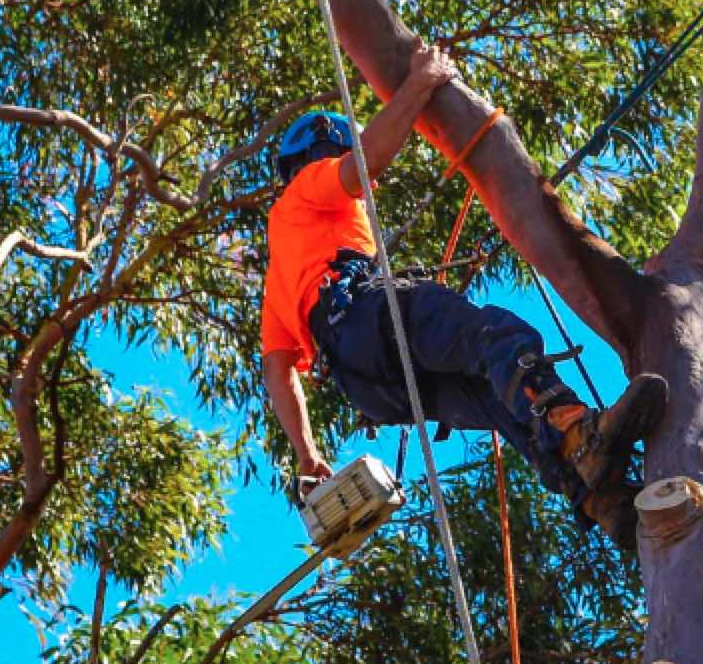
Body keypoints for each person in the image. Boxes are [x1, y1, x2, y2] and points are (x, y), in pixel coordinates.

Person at [258, 44, 667, 548]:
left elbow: (278, 372)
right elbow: (366, 163)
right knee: (496, 336)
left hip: (364, 384)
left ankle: (595, 495)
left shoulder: (281, 267)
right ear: (329, 148)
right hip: (365, 313)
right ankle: (573, 426)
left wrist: (307, 454)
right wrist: (422, 82)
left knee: (500, 401)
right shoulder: (307, 188)